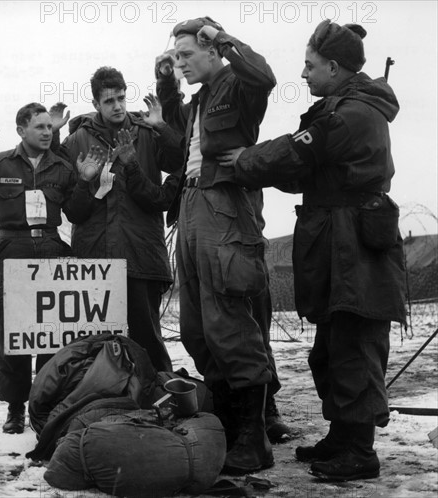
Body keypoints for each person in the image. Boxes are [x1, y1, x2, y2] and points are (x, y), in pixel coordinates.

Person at [233, 20, 406, 481]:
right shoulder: (340, 107)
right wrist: (270, 168)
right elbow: (302, 170)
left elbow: (295, 153)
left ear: (334, 66)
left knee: (355, 345)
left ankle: (360, 452)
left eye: (310, 66)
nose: (304, 74)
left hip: (354, 242)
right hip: (336, 235)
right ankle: (343, 436)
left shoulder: (352, 114)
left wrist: (242, 161)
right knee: (330, 347)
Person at [154, 17, 279, 474]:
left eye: (187, 54)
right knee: (198, 327)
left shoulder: (237, 84)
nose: (180, 62)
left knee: (229, 323)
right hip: (191, 205)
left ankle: (255, 437)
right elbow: (177, 150)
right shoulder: (201, 98)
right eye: (176, 56)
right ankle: (229, 426)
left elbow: (265, 76)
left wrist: (222, 38)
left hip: (225, 207)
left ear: (210, 50)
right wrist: (168, 90)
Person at [0, 104, 100, 434]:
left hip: (50, 251)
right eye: (40, 127)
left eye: (50, 126)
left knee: (51, 332)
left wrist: (86, 182)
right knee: (11, 335)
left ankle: (43, 404)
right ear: (22, 130)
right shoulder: (1, 161)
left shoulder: (63, 166)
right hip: (12, 252)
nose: (47, 132)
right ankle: (15, 407)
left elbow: (76, 213)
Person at [55, 67, 183, 373]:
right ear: (96, 102)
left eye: (122, 98)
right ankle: (100, 406)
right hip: (94, 258)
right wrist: (87, 181)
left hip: (140, 255)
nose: (117, 106)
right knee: (96, 344)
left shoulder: (148, 132)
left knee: (148, 340)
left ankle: (160, 401)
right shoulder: (76, 142)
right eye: (109, 100)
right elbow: (71, 210)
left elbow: (183, 160)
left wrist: (163, 126)